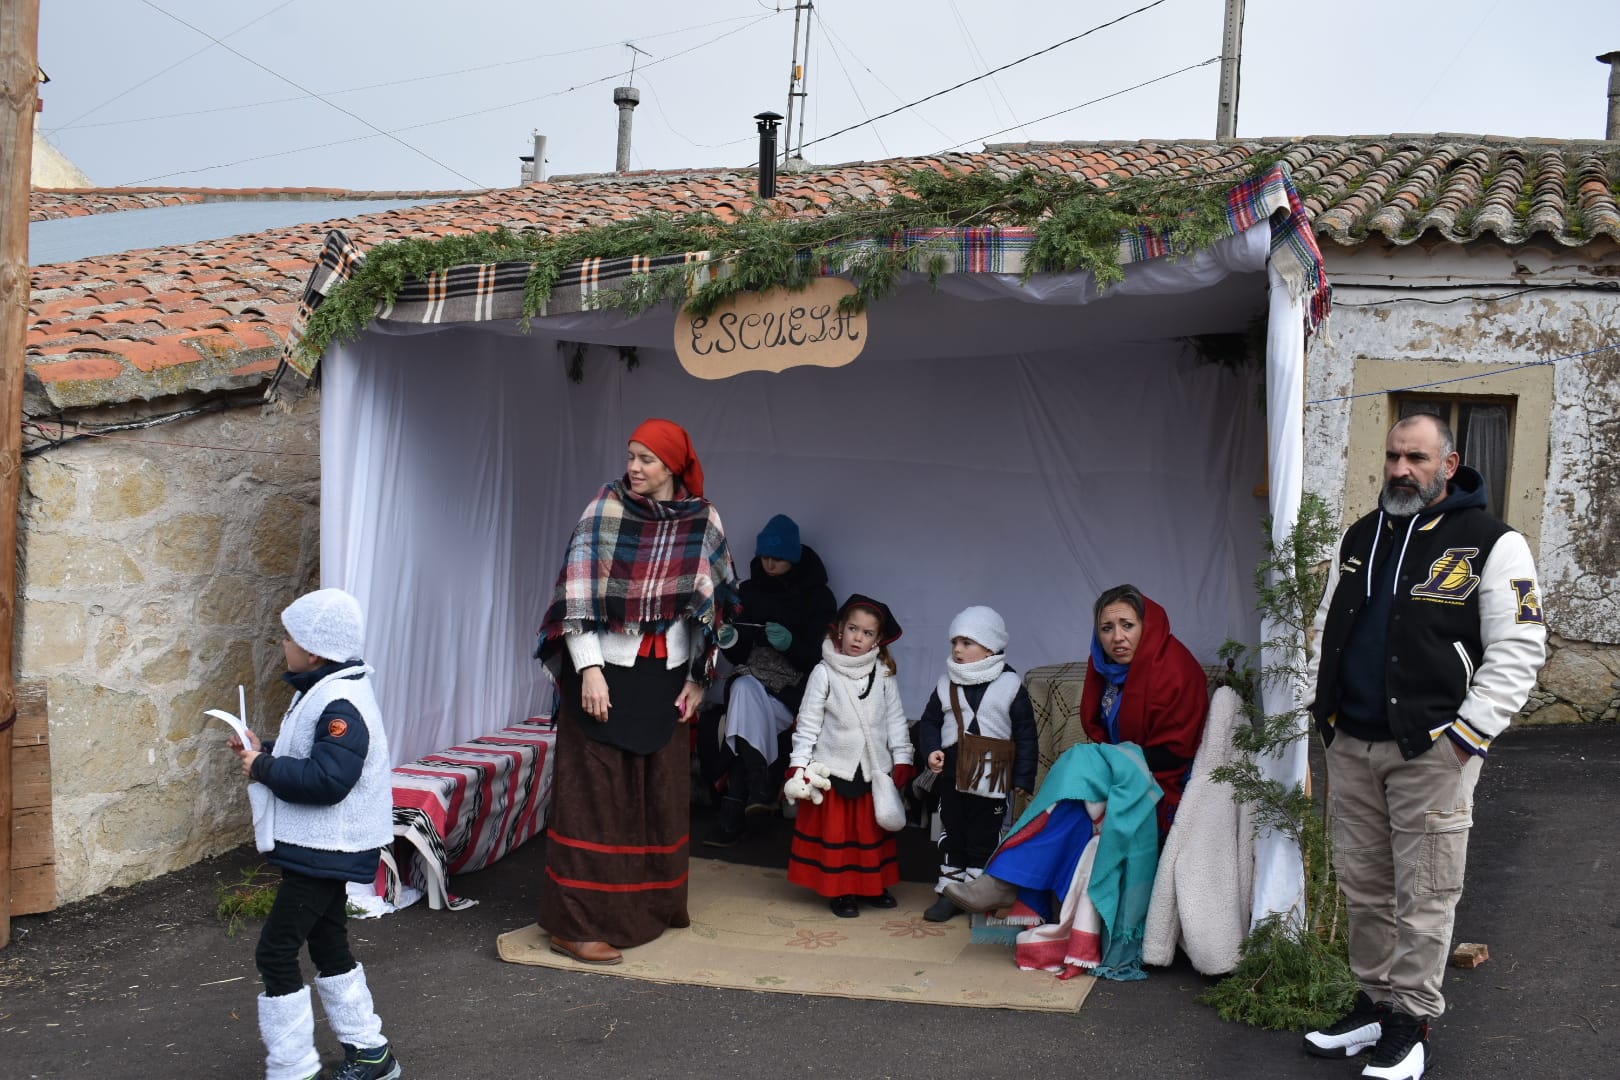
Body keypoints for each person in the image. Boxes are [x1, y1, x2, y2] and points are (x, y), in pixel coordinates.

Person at [1300, 413, 1546, 1080]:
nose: (1401, 469)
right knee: (1366, 887)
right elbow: (1330, 630)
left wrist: (1465, 740)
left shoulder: (1494, 544)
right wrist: (1324, 722)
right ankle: (1375, 1004)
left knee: (1427, 893)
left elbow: (1521, 650)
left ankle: (1411, 1023)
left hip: (1432, 751)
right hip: (1352, 744)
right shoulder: (1362, 536)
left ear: (1449, 461)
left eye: (1416, 457)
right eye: (1393, 456)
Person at [533, 418, 739, 966]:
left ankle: (648, 909)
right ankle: (574, 927)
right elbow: (574, 598)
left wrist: (698, 676)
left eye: (647, 459)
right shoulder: (604, 511)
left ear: (672, 466)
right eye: (631, 456)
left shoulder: (702, 519)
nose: (634, 468)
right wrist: (590, 671)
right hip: (606, 673)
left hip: (665, 677)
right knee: (596, 803)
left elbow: (710, 606)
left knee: (656, 797)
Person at [231, 588, 402, 1080]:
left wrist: (261, 767)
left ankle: (293, 1068)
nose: (281, 643)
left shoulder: (340, 702)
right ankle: (372, 1054)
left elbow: (327, 782)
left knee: (275, 950)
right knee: (328, 946)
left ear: (313, 650)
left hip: (330, 848)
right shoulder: (326, 690)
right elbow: (313, 757)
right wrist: (261, 748)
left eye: (288, 636)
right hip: (325, 849)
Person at [703, 513, 837, 848]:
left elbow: (822, 660)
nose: (769, 563)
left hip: (794, 693)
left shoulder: (818, 598)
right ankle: (759, 786)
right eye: (764, 556)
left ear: (792, 557)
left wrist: (791, 644)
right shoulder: (747, 591)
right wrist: (732, 639)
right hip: (752, 683)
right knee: (746, 690)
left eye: (777, 557)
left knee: (743, 709)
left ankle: (735, 814)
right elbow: (740, 657)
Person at [783, 594, 915, 918]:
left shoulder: (884, 674)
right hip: (834, 769)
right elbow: (808, 725)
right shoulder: (823, 674)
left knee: (869, 831)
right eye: (853, 628)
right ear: (840, 629)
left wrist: (903, 758)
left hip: (872, 769)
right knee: (839, 834)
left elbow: (896, 719)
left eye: (867, 633)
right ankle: (840, 891)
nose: (858, 637)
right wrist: (797, 766)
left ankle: (873, 886)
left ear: (878, 640)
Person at [914, 606, 1038, 922]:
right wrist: (931, 751)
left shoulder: (1010, 685)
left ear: (991, 647)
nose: (957, 649)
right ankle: (950, 890)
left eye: (967, 642)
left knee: (985, 832)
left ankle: (977, 890)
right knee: (953, 829)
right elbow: (928, 722)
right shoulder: (945, 684)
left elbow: (1026, 735)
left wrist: (1023, 776)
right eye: (955, 641)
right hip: (953, 769)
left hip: (992, 771)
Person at [1079, 584, 1210, 841]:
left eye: (1127, 625)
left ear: (1146, 626)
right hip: (1121, 769)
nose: (1117, 637)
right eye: (1107, 628)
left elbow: (1174, 755)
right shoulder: (1104, 667)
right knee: (1070, 795)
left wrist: (1111, 761)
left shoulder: (1175, 671)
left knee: (1075, 776)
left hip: (1164, 781)